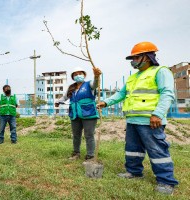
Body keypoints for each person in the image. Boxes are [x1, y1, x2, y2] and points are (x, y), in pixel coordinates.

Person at [97, 42, 178, 194]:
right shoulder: (133, 77)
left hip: (151, 120)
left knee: (157, 150)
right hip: (132, 120)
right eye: (132, 58)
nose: (133, 61)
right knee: (133, 149)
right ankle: (134, 172)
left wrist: (158, 114)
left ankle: (166, 181)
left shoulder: (161, 71)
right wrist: (105, 102)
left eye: (136, 57)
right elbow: (121, 94)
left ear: (147, 57)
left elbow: (167, 94)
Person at [55, 67, 102, 161]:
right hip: (75, 114)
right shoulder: (71, 87)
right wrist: (58, 101)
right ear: (73, 77)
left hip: (89, 114)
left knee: (89, 134)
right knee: (76, 135)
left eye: (80, 73)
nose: (78, 76)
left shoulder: (89, 84)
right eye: (75, 74)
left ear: (84, 75)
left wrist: (96, 76)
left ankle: (90, 155)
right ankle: (76, 153)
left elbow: (96, 84)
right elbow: (65, 97)